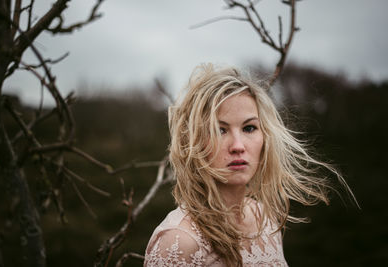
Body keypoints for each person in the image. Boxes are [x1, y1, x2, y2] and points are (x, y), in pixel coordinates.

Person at [144, 63, 355, 266]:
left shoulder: (265, 218)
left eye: (249, 128)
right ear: (192, 142)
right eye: (220, 130)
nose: (238, 146)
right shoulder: (178, 241)